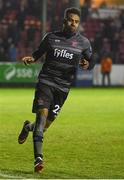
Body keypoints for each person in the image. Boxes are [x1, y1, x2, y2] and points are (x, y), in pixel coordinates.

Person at [18, 7, 96, 173]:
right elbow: (37, 54)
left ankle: (27, 128)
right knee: (41, 118)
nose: (73, 24)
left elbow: (91, 61)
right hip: (46, 82)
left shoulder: (84, 43)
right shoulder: (51, 38)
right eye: (70, 20)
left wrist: (87, 64)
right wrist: (31, 59)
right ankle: (38, 159)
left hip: (63, 88)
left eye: (76, 22)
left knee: (44, 126)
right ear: (64, 20)